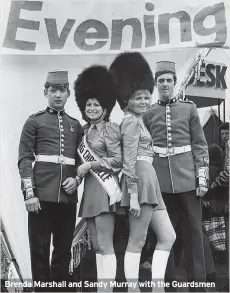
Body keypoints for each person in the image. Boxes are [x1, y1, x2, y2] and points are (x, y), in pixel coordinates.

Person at [109, 52, 176, 292]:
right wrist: (134, 196)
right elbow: (128, 161)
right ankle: (133, 289)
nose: (145, 101)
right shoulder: (129, 121)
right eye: (139, 98)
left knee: (168, 236)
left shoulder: (137, 120)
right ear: (127, 99)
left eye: (147, 97)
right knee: (136, 240)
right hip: (140, 181)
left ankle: (157, 288)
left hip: (150, 181)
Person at [142, 61, 209, 291]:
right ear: (156, 84)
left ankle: (197, 284)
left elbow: (200, 145)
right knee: (165, 235)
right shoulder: (149, 114)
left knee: (193, 234)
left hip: (189, 181)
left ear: (175, 82)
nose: (165, 84)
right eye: (161, 81)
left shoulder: (189, 109)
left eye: (169, 80)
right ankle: (167, 283)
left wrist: (202, 179)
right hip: (161, 184)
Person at [18, 71, 83, 291]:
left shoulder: (76, 125)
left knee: (63, 251)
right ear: (45, 92)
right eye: (53, 90)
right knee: (39, 251)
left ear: (68, 94)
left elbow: (80, 162)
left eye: (62, 90)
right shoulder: (34, 121)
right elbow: (25, 159)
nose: (58, 95)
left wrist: (76, 179)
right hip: (40, 198)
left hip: (67, 199)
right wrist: (29, 194)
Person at [74, 65, 122, 286]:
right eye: (88, 104)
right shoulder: (84, 131)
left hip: (104, 191)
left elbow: (118, 160)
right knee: (96, 247)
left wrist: (90, 164)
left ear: (105, 107)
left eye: (96, 104)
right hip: (90, 194)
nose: (92, 107)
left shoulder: (110, 129)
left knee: (105, 245)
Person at [208, 122, 229, 291]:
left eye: (226, 133)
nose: (224, 136)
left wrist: (214, 184)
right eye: (222, 134)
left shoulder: (227, 147)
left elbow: (227, 173)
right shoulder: (222, 149)